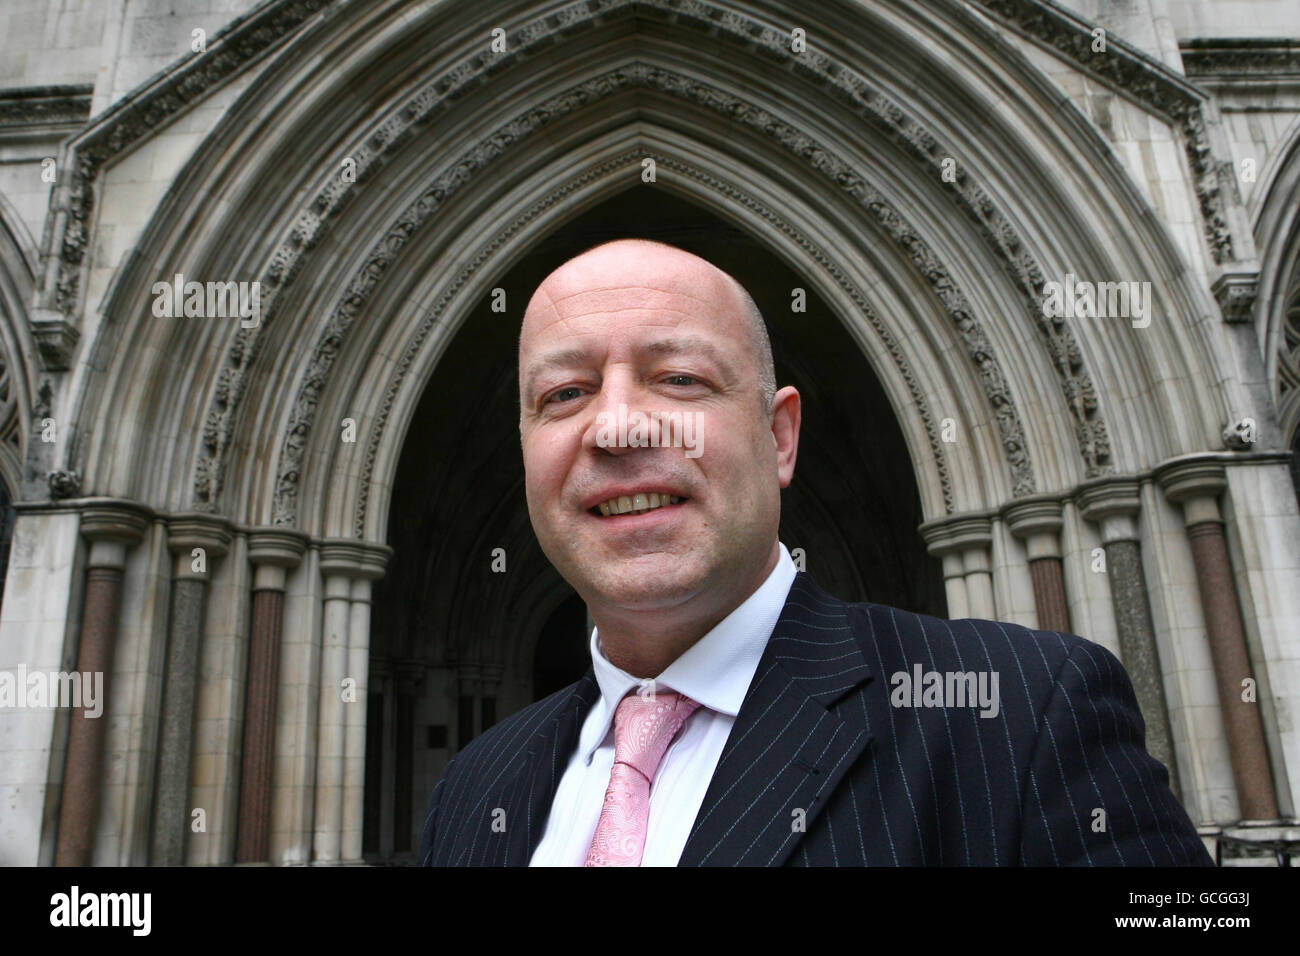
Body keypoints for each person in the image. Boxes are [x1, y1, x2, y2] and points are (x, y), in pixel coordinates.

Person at [417, 238, 1213, 866]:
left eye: (681, 379)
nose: (620, 426)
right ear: (526, 450)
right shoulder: (477, 784)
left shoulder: (1017, 710)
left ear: (779, 436)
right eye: (565, 394)